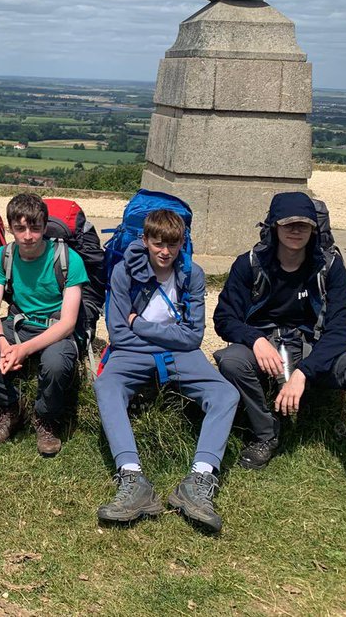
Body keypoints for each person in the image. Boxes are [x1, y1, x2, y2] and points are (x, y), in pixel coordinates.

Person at [212, 191, 346, 531]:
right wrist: (254, 338)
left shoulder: (330, 267)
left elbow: (342, 329)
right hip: (266, 347)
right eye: (288, 224)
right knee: (231, 359)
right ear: (274, 226)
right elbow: (224, 317)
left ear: (313, 228)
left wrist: (305, 372)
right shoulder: (249, 264)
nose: (296, 231)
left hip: (313, 349)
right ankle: (265, 434)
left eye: (304, 224)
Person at [94, 209, 237, 532]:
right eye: (158, 244)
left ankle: (199, 479)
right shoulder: (123, 272)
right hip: (133, 351)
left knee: (225, 393)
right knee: (106, 386)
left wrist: (140, 324)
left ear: (182, 244)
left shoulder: (192, 274)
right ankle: (132, 478)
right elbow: (117, 333)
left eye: (173, 245)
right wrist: (163, 339)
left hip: (177, 352)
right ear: (144, 240)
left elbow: (194, 336)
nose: (165, 252)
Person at [0, 192, 83, 456]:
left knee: (55, 364)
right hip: (17, 325)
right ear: (9, 228)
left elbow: (68, 323)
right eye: (20, 228)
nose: (28, 235)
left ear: (45, 225)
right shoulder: (2, 256)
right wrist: (3, 343)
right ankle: (10, 407)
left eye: (35, 227)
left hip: (54, 329)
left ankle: (45, 419)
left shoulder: (68, 259)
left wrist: (23, 350)